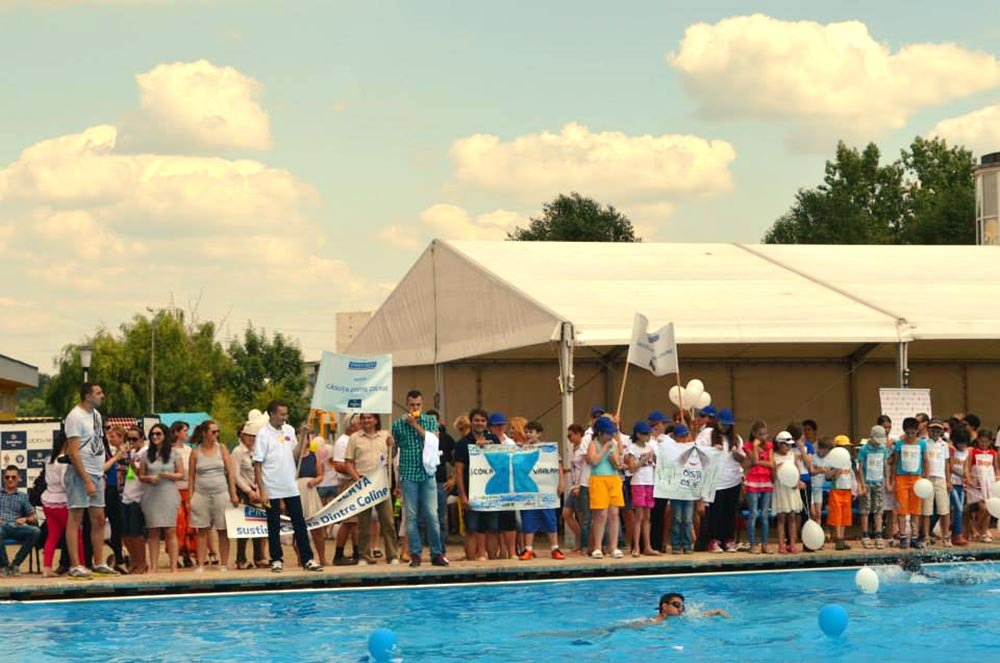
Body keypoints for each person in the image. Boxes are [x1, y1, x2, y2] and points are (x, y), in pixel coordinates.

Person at [254, 400, 323, 573]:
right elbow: (258, 464)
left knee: (299, 523)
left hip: (290, 485)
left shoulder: (289, 430)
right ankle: (276, 559)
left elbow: (296, 453)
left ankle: (307, 559)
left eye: (286, 414)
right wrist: (262, 491)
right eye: (281, 414)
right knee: (274, 525)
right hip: (271, 486)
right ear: (272, 414)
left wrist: (303, 438)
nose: (285, 417)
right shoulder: (263, 434)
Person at [64, 382, 117, 579]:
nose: (102, 395)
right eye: (98, 392)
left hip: (96, 472)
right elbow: (73, 452)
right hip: (80, 474)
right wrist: (86, 479)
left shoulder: (96, 416)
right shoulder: (74, 417)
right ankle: (75, 565)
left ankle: (98, 561)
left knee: (99, 519)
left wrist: (99, 470)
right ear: (87, 396)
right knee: (76, 518)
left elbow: (97, 443)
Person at [391, 390, 448, 567]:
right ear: (407, 405)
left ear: (422, 406)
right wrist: (390, 445)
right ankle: (414, 554)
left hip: (427, 472)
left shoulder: (430, 421)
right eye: (412, 404)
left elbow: (434, 441)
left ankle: (437, 553)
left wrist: (415, 425)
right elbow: (394, 451)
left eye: (418, 405)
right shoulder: (398, 424)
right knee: (411, 516)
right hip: (408, 473)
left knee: (432, 514)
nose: (415, 407)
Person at [345, 413, 400, 565]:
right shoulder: (354, 438)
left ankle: (393, 555)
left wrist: (392, 445)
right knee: (363, 523)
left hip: (381, 482)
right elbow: (348, 463)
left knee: (387, 521)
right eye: (363, 418)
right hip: (363, 482)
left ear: (376, 420)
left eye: (369, 418)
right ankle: (364, 556)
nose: (366, 421)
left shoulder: (385, 436)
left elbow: (392, 456)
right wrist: (358, 479)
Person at [189, 420, 239, 571]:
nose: (216, 435)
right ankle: (201, 564)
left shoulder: (222, 448)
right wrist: (191, 497)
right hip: (201, 494)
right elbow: (191, 476)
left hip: (221, 493)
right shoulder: (195, 451)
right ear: (204, 433)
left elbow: (230, 473)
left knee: (223, 529)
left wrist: (233, 494)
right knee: (202, 530)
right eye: (213, 432)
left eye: (218, 432)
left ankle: (223, 563)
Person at [454, 408, 501, 561]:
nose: (479, 423)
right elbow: (459, 471)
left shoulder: (494, 440)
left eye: (482, 420)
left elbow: (502, 463)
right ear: (471, 422)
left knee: (493, 529)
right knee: (471, 529)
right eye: (476, 420)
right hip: (471, 492)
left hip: (491, 492)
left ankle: (493, 562)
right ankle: (470, 563)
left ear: (486, 423)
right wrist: (462, 496)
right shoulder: (462, 444)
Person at [139, 423, 184, 572]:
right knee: (153, 531)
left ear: (165, 436)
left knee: (170, 530)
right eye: (152, 434)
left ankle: (173, 566)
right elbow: (141, 475)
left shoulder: (174, 453)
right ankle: (153, 566)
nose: (155, 437)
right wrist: (149, 478)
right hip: (151, 495)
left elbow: (181, 474)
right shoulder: (146, 454)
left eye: (158, 434)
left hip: (168, 493)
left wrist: (167, 475)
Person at [518, 421, 565, 560]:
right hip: (528, 490)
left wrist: (561, 482)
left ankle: (555, 548)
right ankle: (528, 549)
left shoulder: (549, 449)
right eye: (526, 432)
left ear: (539, 433)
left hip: (547, 490)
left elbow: (558, 466)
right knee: (528, 518)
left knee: (550, 518)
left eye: (531, 432)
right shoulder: (521, 449)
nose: (528, 435)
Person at [40, 432, 83, 577]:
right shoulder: (63, 461)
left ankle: (47, 568)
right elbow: (66, 484)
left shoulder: (48, 460)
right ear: (66, 443)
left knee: (53, 536)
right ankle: (80, 565)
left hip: (48, 501)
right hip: (62, 502)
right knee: (76, 534)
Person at [706, 408, 744, 553]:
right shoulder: (709, 435)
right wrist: (712, 450)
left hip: (733, 480)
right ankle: (714, 540)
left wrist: (736, 453)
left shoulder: (736, 439)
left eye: (728, 425)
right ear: (717, 423)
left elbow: (743, 459)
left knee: (730, 512)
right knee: (716, 512)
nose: (725, 427)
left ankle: (728, 539)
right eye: (723, 424)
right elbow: (699, 452)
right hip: (716, 481)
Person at [887, 417, 929, 549]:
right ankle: (903, 537)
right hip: (901, 479)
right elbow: (894, 463)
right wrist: (892, 480)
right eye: (908, 433)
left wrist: (925, 478)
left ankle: (915, 537)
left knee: (915, 510)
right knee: (901, 510)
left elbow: (925, 461)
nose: (911, 435)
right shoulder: (899, 444)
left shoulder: (922, 444)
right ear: (905, 431)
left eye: (913, 432)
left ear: (917, 431)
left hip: (916, 480)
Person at [587, 415, 624, 559]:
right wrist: (604, 449)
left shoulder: (613, 444)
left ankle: (613, 547)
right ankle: (597, 547)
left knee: (614, 513)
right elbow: (594, 461)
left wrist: (615, 459)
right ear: (600, 432)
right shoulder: (593, 444)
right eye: (608, 433)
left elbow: (617, 463)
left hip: (613, 479)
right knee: (600, 514)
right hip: (598, 479)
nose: (611, 435)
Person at [231, 421, 267, 569]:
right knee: (244, 527)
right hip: (243, 491)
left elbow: (261, 471)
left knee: (258, 525)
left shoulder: (257, 451)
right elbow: (235, 475)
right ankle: (240, 559)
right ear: (243, 436)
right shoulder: (238, 452)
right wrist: (248, 491)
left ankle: (259, 557)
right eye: (250, 436)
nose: (252, 439)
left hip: (256, 490)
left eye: (255, 436)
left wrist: (259, 489)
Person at [487, 411, 518, 558]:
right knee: (494, 523)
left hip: (507, 485)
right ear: (491, 427)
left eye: (502, 425)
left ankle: (511, 551)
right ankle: (500, 551)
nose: (499, 428)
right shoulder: (486, 441)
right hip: (492, 486)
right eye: (496, 425)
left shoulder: (510, 443)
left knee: (509, 521)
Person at [332, 414, 361, 566]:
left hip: (355, 482)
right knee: (349, 522)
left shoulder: (356, 439)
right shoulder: (342, 442)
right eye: (358, 423)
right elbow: (338, 464)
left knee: (355, 522)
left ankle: (358, 553)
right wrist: (355, 468)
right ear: (351, 425)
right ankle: (339, 553)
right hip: (347, 483)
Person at [0, 465, 40, 576]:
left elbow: (32, 517)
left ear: (19, 478)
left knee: (35, 531)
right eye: (7, 477)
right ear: (4, 478)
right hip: (2, 527)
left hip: (17, 527)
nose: (10, 479)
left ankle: (15, 564)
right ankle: (4, 566)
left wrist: (25, 519)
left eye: (13, 477)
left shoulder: (23, 496)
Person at [625, 422, 658, 557]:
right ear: (638, 435)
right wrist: (644, 459)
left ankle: (647, 546)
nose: (648, 436)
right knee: (638, 516)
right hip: (638, 482)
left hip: (649, 482)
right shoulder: (632, 448)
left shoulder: (650, 447)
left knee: (647, 516)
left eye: (649, 433)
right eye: (645, 434)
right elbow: (632, 468)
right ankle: (636, 546)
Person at [120, 426, 148, 574]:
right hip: (127, 495)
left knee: (137, 534)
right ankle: (135, 561)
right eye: (129, 439)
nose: (131, 442)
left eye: (134, 439)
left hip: (138, 497)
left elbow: (142, 474)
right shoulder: (132, 452)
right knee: (125, 534)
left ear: (142, 439)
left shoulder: (145, 453)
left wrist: (131, 464)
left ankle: (142, 562)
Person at [427, 409, 456, 551]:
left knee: (441, 518)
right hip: (422, 481)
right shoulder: (418, 436)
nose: (432, 423)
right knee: (422, 518)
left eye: (434, 420)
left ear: (439, 422)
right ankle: (421, 549)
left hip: (440, 482)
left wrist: (453, 479)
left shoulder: (446, 439)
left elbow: (457, 462)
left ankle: (440, 548)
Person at [743, 420, 774, 554]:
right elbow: (754, 461)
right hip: (753, 481)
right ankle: (752, 544)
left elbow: (772, 464)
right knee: (754, 513)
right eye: (761, 434)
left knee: (765, 514)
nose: (763, 437)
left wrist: (762, 463)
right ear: (755, 434)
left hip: (766, 480)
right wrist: (755, 448)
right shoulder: (748, 445)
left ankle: (765, 544)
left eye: (765, 434)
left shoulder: (769, 445)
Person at [921, 418, 952, 547]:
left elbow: (946, 464)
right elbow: (923, 461)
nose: (934, 432)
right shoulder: (923, 443)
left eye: (937, 430)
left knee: (944, 508)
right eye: (932, 429)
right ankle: (926, 536)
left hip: (940, 478)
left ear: (941, 431)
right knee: (926, 509)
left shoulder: (944, 445)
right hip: (927, 479)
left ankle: (946, 536)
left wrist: (948, 481)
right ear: (928, 430)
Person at [772, 432, 803, 553]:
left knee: (792, 517)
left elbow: (797, 469)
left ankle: (792, 543)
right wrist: (776, 468)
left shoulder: (792, 455)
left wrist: (797, 481)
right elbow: (773, 476)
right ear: (779, 444)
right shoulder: (774, 456)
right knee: (781, 518)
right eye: (786, 445)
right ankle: (781, 544)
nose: (789, 447)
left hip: (791, 488)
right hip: (780, 488)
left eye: (790, 445)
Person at [170, 421, 196, 568]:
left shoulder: (189, 450)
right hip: (175, 489)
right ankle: (176, 554)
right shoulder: (171, 451)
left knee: (190, 524)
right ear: (176, 432)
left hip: (188, 488)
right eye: (184, 430)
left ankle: (188, 554)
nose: (187, 433)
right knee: (178, 523)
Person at [857, 425, 888, 548]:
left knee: (878, 509)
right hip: (867, 483)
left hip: (879, 482)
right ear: (871, 437)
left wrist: (886, 480)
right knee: (865, 509)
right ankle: (865, 534)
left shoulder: (883, 449)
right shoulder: (864, 450)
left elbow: (885, 465)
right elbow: (860, 468)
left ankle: (878, 534)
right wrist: (862, 484)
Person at [102, 425, 128, 574]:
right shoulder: (106, 450)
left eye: (113, 436)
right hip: (106, 488)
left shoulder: (124, 451)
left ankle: (120, 558)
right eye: (109, 436)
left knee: (117, 526)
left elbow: (128, 470)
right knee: (99, 527)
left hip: (117, 491)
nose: (110, 439)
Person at [826, 435, 859, 550]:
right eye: (844, 447)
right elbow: (827, 476)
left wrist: (855, 489)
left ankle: (842, 538)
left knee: (845, 516)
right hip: (836, 490)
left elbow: (852, 476)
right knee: (837, 515)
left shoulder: (849, 461)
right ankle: (838, 539)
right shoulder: (832, 461)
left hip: (847, 490)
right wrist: (836, 470)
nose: (846, 449)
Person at [967, 427, 998, 542]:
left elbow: (996, 469)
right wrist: (970, 479)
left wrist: (997, 481)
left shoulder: (993, 453)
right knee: (982, 507)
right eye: (981, 441)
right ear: (978, 440)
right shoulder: (973, 451)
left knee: (989, 509)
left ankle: (984, 532)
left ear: (990, 441)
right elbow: (969, 467)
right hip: (978, 484)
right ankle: (976, 528)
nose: (983, 444)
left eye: (986, 442)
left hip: (989, 483)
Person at [562, 424, 586, 554]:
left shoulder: (583, 447)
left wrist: (579, 485)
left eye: (570, 435)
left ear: (578, 434)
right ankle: (580, 539)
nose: (569, 438)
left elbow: (585, 467)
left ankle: (583, 542)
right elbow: (576, 467)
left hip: (580, 485)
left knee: (581, 515)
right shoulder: (576, 448)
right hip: (575, 484)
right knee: (567, 513)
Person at [646, 593, 729, 624]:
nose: (680, 609)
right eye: (677, 605)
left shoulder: (682, 617)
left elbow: (700, 615)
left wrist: (718, 611)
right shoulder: (652, 622)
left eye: (682, 606)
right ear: (664, 606)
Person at [949, 427, 970, 546]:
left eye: (965, 443)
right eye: (960, 442)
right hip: (951, 483)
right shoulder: (951, 451)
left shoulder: (966, 452)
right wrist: (962, 474)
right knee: (957, 508)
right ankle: (957, 534)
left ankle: (956, 535)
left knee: (959, 509)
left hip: (960, 485)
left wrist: (968, 478)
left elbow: (966, 468)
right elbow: (951, 467)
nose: (962, 445)